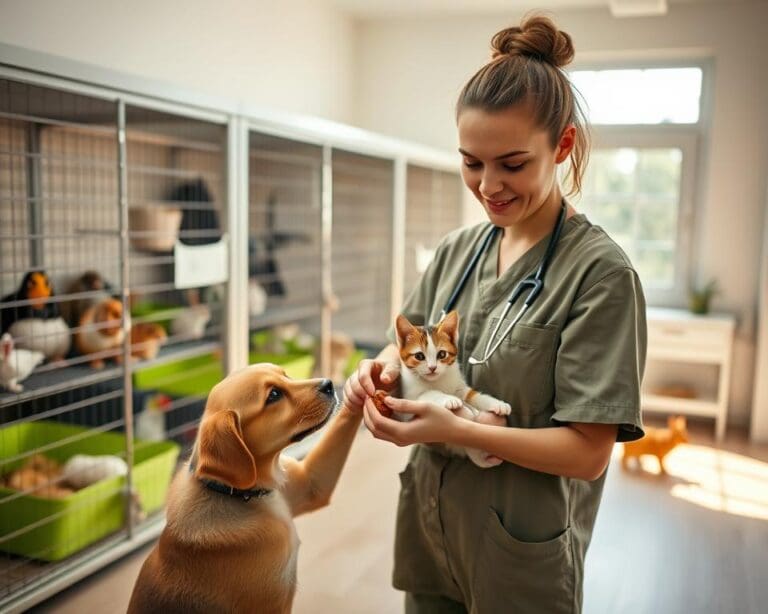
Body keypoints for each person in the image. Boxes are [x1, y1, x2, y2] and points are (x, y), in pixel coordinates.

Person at [343, 13, 647, 614]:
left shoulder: (600, 276)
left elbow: (588, 454)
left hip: (519, 555)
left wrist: (456, 429)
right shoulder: (459, 250)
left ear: (562, 146)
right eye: (471, 162)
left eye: (512, 164)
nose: (488, 186)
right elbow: (402, 343)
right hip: (432, 529)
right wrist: (375, 371)